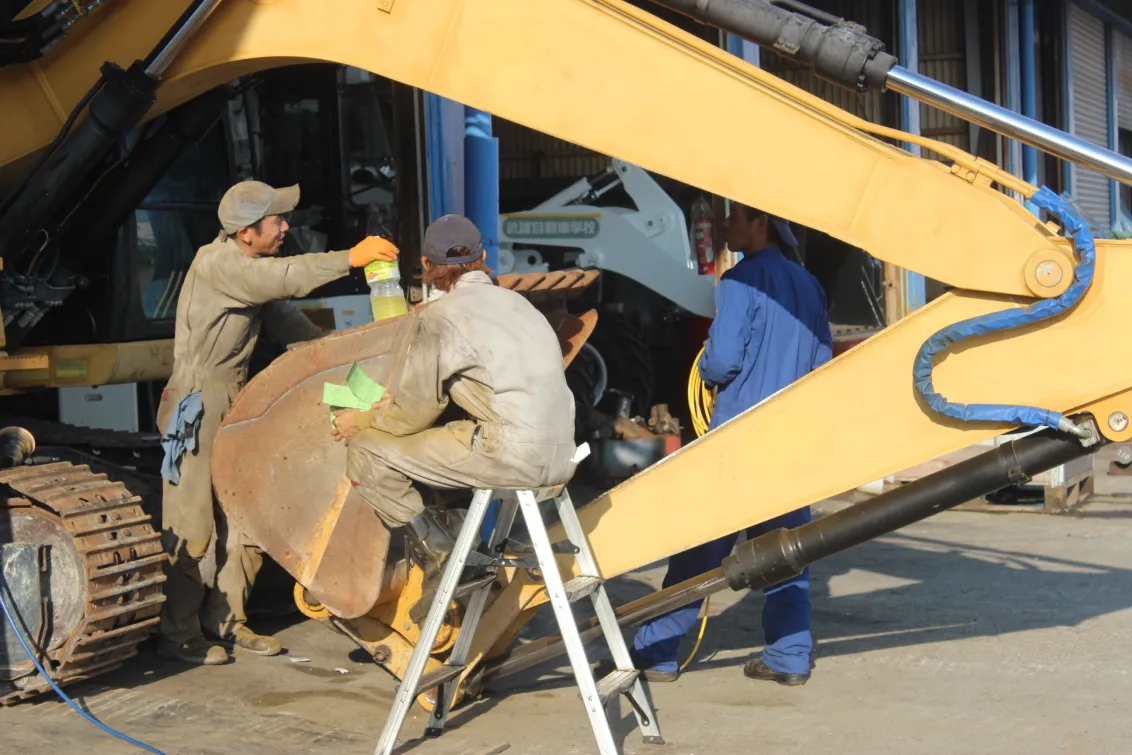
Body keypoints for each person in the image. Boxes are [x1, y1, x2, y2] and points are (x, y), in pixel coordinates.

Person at [156, 180, 398, 665]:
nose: (286, 226)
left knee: (246, 514)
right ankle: (177, 633)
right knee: (193, 522)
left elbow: (296, 329)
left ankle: (227, 620)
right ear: (246, 233)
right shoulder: (220, 265)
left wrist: (348, 363)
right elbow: (288, 278)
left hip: (236, 397)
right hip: (199, 401)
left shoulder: (251, 272)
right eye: (277, 220)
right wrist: (352, 257)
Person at [329, 214, 577, 621]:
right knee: (446, 436)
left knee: (368, 452)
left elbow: (413, 412)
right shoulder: (518, 303)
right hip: (562, 450)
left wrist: (363, 420)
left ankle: (446, 559)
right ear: (482, 259)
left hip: (514, 453)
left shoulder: (439, 317)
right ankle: (462, 550)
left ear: (427, 268)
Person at [629, 201, 832, 686]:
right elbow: (823, 364)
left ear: (761, 223)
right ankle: (789, 658)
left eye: (734, 218)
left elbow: (719, 363)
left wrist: (706, 367)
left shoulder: (739, 282)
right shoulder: (810, 285)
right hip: (789, 439)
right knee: (785, 549)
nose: (724, 227)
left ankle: (656, 653)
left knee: (699, 549)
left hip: (738, 439)